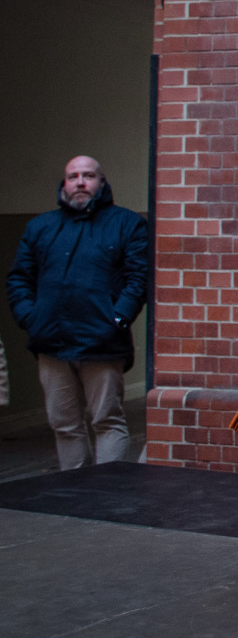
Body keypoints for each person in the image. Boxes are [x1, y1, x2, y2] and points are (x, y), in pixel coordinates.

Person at [7, 155, 148, 470]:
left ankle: (106, 492)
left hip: (102, 343)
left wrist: (118, 318)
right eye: (73, 176)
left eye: (88, 175)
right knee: (64, 425)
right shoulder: (40, 227)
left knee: (106, 420)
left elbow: (138, 278)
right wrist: (30, 317)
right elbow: (19, 278)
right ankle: (74, 493)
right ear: (65, 183)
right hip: (51, 343)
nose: (80, 182)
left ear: (101, 181)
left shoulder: (127, 224)